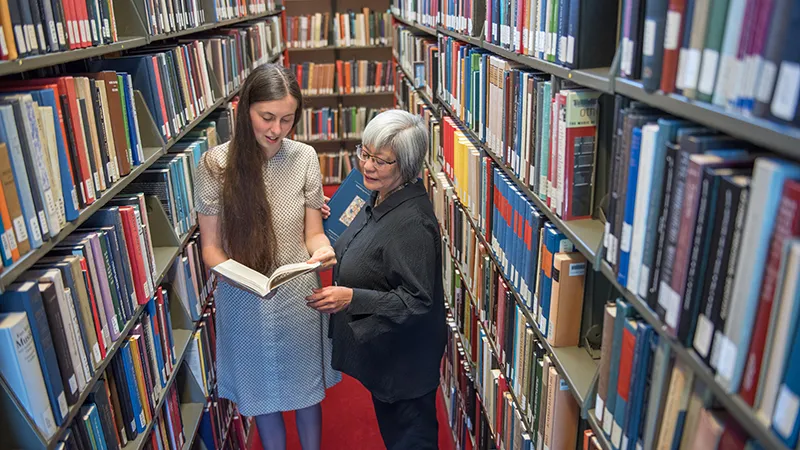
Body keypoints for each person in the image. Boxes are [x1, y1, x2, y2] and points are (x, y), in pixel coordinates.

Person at [194, 64, 341, 450]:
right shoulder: (215, 165)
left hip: (297, 297)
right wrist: (228, 271)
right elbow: (210, 247)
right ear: (245, 111)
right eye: (267, 117)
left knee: (307, 393)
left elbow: (313, 233)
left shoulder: (304, 157)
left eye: (287, 119)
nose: (277, 130)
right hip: (243, 298)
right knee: (263, 400)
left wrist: (323, 251)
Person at [305, 109, 447, 449]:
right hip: (386, 359)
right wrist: (331, 224)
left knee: (410, 440)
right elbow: (367, 246)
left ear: (407, 167)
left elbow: (417, 301)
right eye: (364, 153)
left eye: (380, 161)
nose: (367, 165)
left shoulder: (411, 223)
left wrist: (351, 298)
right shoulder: (379, 196)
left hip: (406, 367)